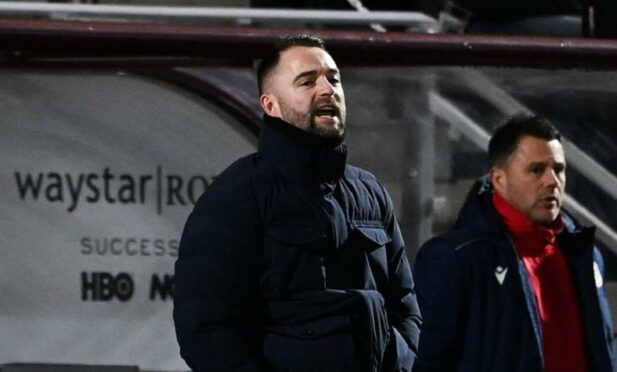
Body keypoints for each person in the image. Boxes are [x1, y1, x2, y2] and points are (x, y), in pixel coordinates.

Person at [173, 34, 421, 372]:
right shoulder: (238, 194)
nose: (327, 89)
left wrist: (404, 360)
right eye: (307, 81)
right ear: (271, 105)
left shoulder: (370, 191)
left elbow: (405, 302)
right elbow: (206, 330)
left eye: (333, 79)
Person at [413, 114, 617, 372]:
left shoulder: (585, 255)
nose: (552, 181)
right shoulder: (455, 259)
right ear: (499, 179)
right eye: (536, 170)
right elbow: (426, 361)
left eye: (559, 169)